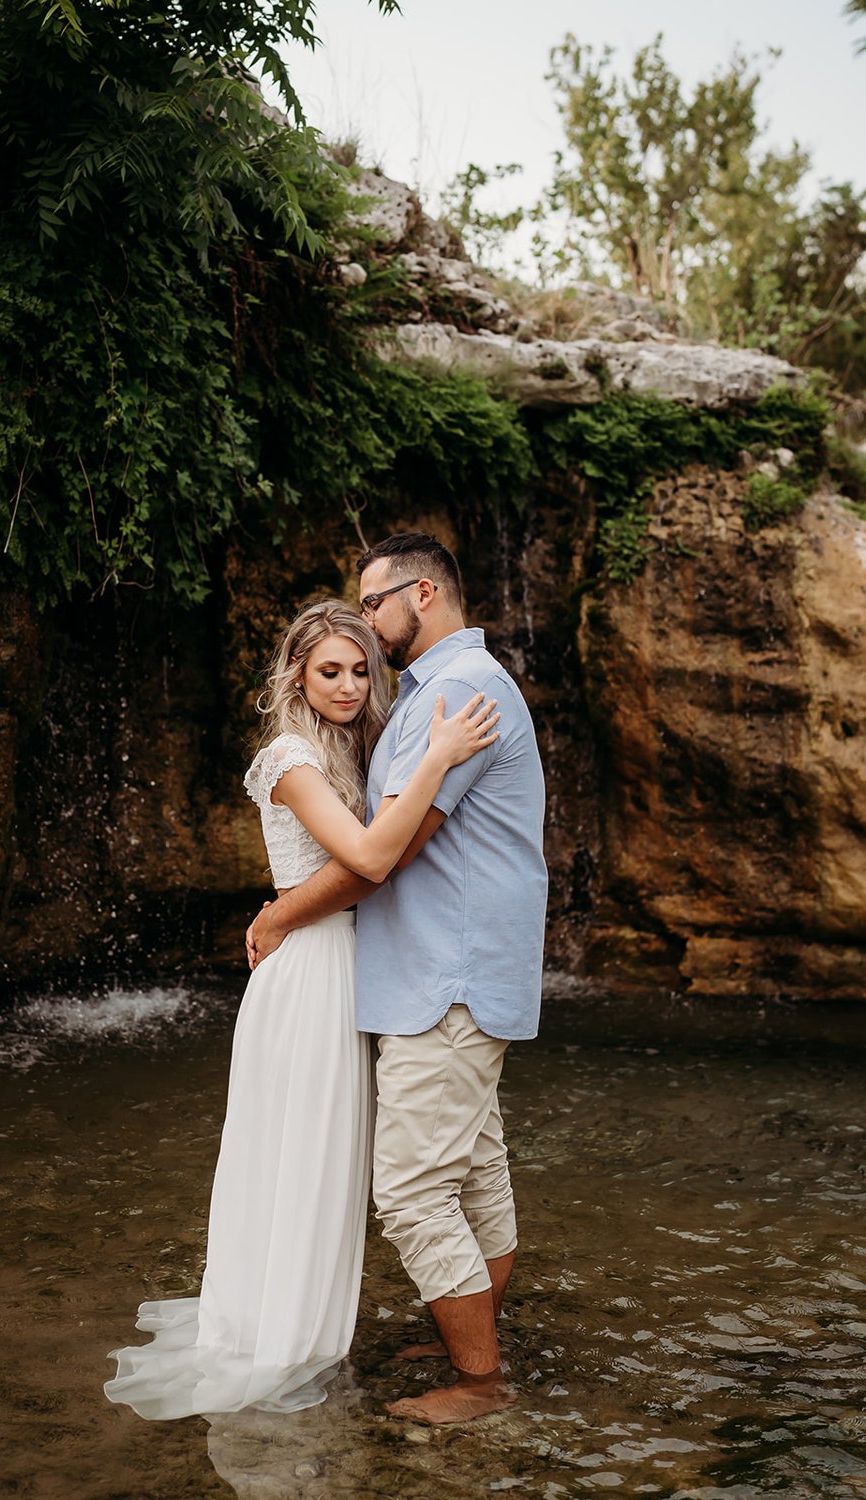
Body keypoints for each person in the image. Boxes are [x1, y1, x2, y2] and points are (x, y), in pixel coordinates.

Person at [104, 598, 498, 1420]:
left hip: (355, 966)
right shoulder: (286, 757)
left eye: (362, 670)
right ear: (295, 675)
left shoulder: (354, 751)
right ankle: (280, 1333)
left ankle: (322, 1325)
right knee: (298, 1156)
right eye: (330, 671)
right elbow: (365, 857)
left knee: (336, 1160)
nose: (350, 685)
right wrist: (442, 755)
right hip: (311, 974)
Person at [247, 533, 548, 1425]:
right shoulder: (426, 694)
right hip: (444, 972)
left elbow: (389, 853)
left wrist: (277, 914)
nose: (369, 630)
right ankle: (472, 1335)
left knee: (415, 1191)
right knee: (474, 1174)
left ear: (422, 593)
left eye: (374, 605)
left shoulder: (458, 689)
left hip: (441, 976)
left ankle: (480, 1383)